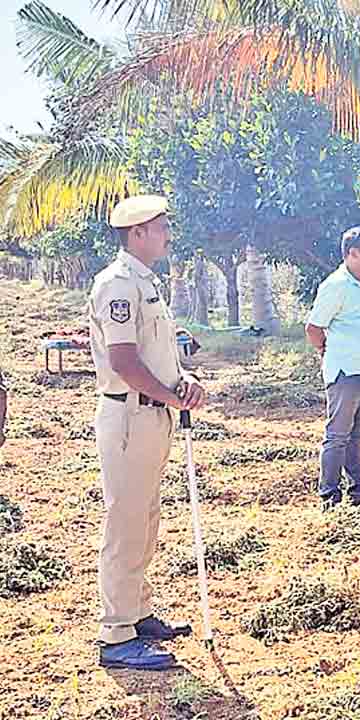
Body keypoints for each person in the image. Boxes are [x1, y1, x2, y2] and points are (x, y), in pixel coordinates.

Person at [89, 195, 207, 671]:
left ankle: (137, 612)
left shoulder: (145, 282)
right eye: (159, 228)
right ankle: (115, 633)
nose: (166, 235)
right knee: (125, 522)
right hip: (129, 415)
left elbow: (155, 351)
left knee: (146, 518)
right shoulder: (118, 284)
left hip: (152, 412)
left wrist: (181, 380)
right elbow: (123, 361)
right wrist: (170, 394)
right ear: (137, 233)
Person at [305, 226, 360, 510]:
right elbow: (314, 328)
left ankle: (358, 494)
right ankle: (329, 497)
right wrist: (325, 352)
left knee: (356, 436)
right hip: (347, 373)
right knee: (338, 436)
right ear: (352, 253)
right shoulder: (336, 285)